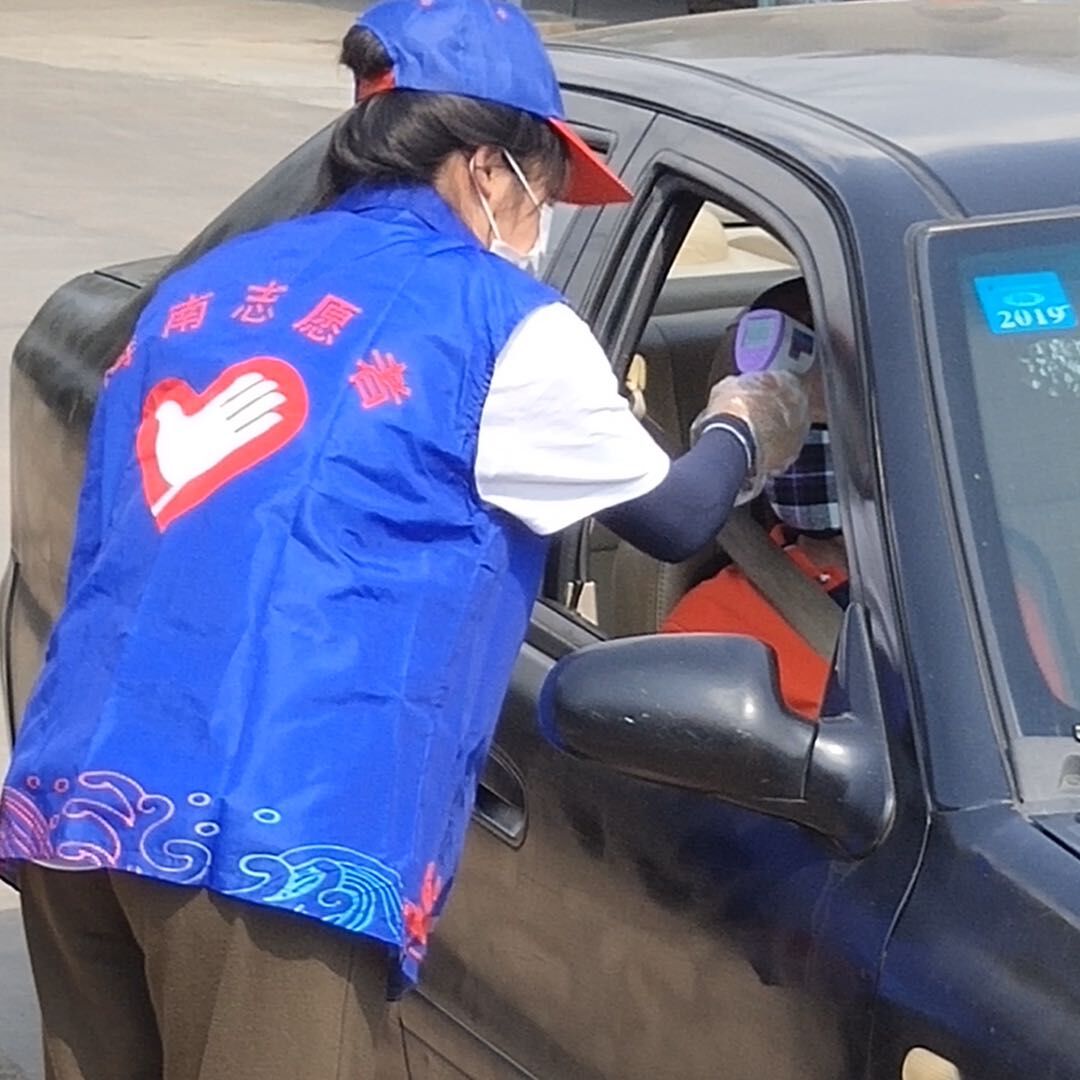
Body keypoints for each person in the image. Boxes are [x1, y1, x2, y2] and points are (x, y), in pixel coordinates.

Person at [0, 3, 809, 1078]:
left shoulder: (201, 290)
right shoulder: (498, 323)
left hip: (73, 802)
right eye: (546, 186)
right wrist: (744, 421)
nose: (542, 221)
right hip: (275, 843)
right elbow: (674, 517)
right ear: (486, 168)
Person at [663, 279, 848, 721]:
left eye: (840, 423)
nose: (811, 442)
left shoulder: (986, 584)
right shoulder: (715, 627)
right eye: (789, 425)